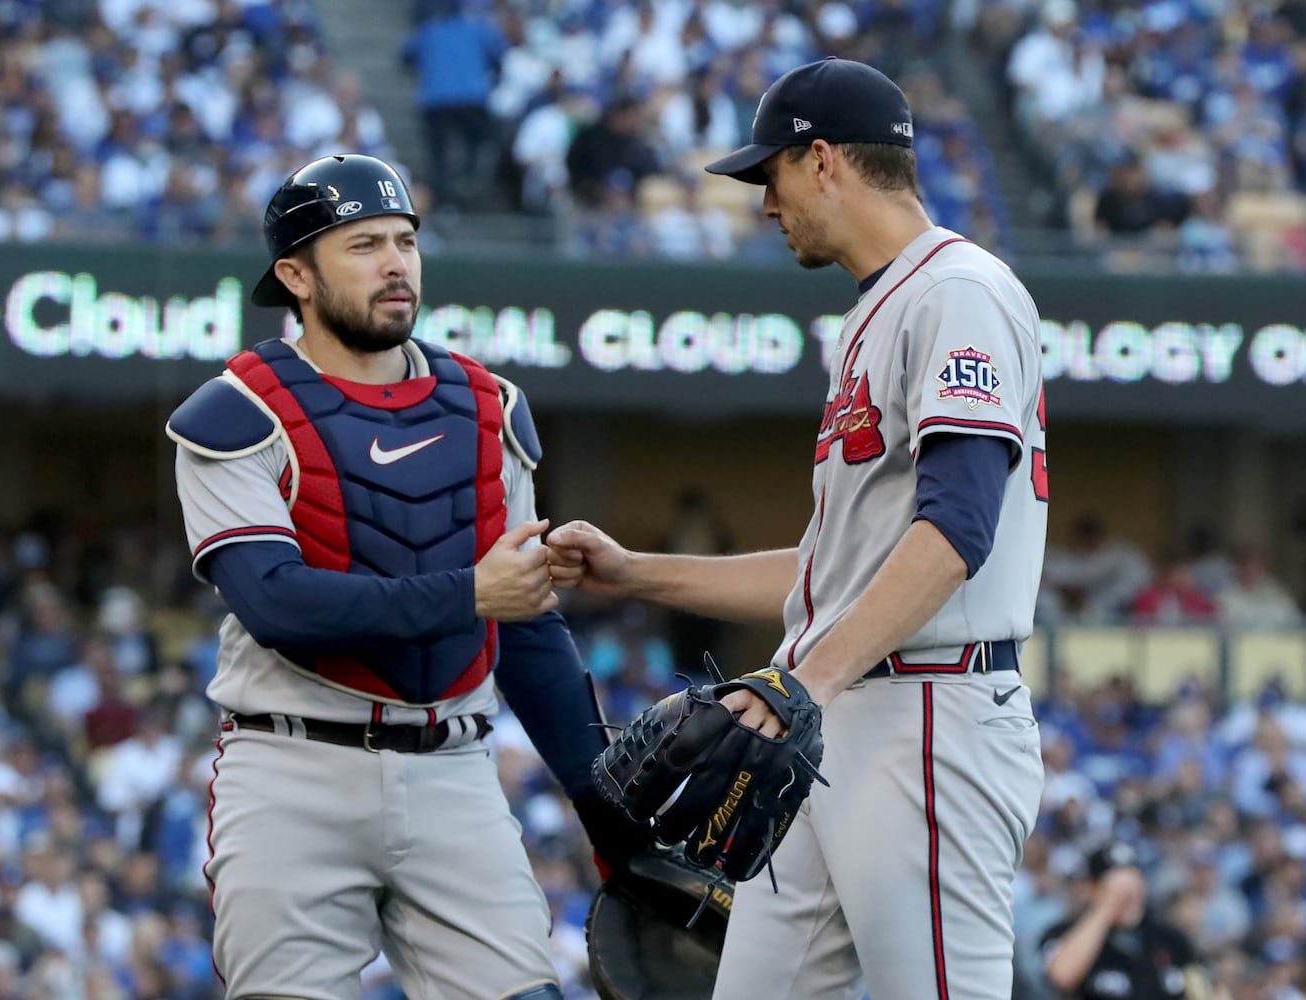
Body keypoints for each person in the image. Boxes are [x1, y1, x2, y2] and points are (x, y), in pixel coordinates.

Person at [548, 57, 1050, 999]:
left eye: (768, 175)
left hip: (928, 715)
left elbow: (956, 531)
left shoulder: (958, 293)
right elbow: (832, 573)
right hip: (838, 714)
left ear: (823, 161)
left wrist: (797, 686)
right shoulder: (882, 307)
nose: (764, 204)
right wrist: (631, 573)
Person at [166, 153, 643, 1000]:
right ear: (295, 276)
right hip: (291, 765)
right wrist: (469, 594)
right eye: (362, 245)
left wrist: (604, 807)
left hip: (453, 763)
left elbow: (528, 627)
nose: (395, 263)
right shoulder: (237, 411)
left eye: (405, 241)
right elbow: (277, 602)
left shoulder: (489, 405)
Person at [1038, 842, 1213, 999]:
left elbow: (1201, 987)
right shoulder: (1065, 932)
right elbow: (1061, 977)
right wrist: (1106, 908)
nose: (1128, 894)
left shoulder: (1169, 938)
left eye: (1134, 883)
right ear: (1091, 887)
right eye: (1117, 887)